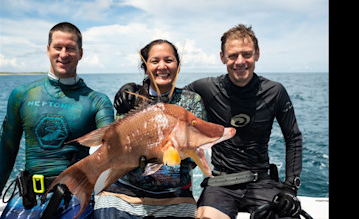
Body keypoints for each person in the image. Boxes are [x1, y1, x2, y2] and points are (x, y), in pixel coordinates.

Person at [114, 24, 303, 219]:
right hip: (220, 183)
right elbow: (169, 97)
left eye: (246, 54)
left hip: (262, 181)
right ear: (222, 57)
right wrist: (135, 89)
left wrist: (290, 187)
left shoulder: (275, 92)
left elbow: (293, 138)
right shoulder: (206, 88)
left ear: (257, 54)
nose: (240, 61)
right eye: (232, 56)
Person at [0, 22, 114, 218]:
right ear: (47, 50)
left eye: (70, 48)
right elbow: (7, 149)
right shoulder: (22, 95)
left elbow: (110, 148)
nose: (63, 54)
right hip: (27, 198)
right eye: (57, 47)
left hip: (75, 199)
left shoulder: (97, 101)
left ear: (80, 53)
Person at [94, 39, 207, 219]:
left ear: (178, 65)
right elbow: (118, 144)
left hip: (175, 197)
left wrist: (155, 154)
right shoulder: (129, 98)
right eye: (154, 61)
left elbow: (195, 154)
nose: (162, 66)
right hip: (124, 193)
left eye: (169, 60)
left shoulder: (191, 101)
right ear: (146, 67)